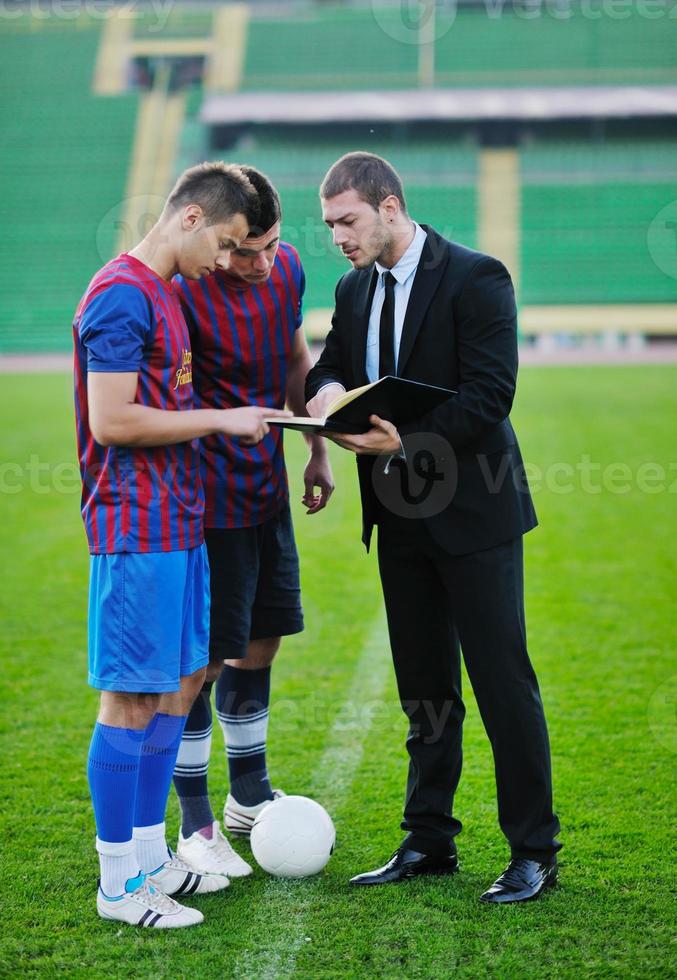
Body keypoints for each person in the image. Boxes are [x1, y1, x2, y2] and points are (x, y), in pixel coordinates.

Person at [305, 152, 561, 904]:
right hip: (398, 513)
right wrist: (323, 402)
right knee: (424, 690)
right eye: (328, 225)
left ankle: (533, 851)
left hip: (475, 511)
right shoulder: (353, 289)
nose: (338, 238)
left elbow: (490, 395)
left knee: (500, 683)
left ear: (390, 208)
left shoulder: (476, 276)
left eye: (347, 221)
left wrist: (404, 444)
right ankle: (428, 840)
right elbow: (330, 365)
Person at [74, 161, 291, 928]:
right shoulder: (121, 297)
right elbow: (112, 421)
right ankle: (117, 885)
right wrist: (220, 419)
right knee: (131, 695)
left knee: (177, 682)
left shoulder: (164, 295)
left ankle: (149, 858)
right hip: (134, 527)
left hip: (180, 521)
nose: (227, 262)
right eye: (226, 243)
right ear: (191, 219)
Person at [171, 166, 334, 878]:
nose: (257, 263)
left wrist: (314, 450)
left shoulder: (286, 268)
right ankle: (196, 820)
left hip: (267, 489)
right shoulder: (184, 288)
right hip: (208, 504)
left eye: (268, 246)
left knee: (261, 643)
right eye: (243, 250)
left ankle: (246, 795)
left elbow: (295, 356)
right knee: (200, 664)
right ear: (215, 235)